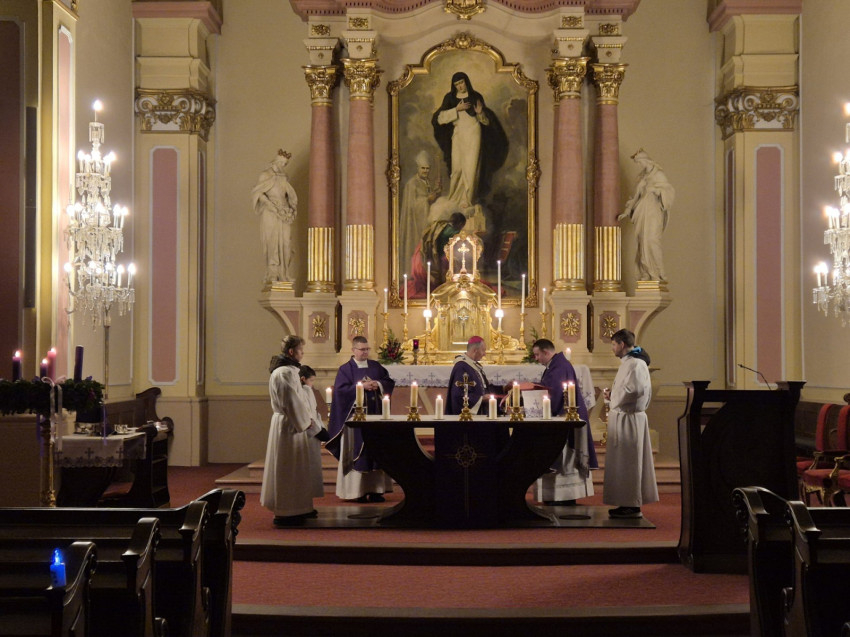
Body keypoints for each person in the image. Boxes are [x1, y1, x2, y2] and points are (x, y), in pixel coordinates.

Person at [259, 335, 326, 527]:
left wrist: (310, 421)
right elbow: (291, 401)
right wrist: (308, 424)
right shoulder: (284, 373)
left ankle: (301, 507)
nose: (302, 353)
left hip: (294, 424)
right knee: (288, 469)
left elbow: (300, 399)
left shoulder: (291, 371)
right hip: (289, 426)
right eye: (300, 350)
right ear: (291, 351)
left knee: (298, 469)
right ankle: (287, 511)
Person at [326, 336, 396, 502]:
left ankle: (376, 490)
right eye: (362, 349)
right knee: (359, 452)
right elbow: (340, 392)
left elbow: (388, 381)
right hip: (355, 421)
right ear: (353, 350)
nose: (365, 352)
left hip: (375, 417)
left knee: (376, 452)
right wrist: (361, 387)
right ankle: (357, 492)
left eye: (367, 349)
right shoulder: (345, 370)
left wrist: (378, 384)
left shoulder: (376, 366)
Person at [531, 338, 598, 506]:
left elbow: (553, 395)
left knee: (565, 459)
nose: (536, 358)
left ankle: (563, 496)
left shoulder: (558, 367)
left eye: (537, 355)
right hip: (564, 415)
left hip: (564, 417)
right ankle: (558, 496)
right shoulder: (556, 365)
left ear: (546, 352)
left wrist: (534, 406)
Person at [602, 329, 658, 519]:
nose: (612, 348)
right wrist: (613, 395)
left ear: (622, 344)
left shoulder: (635, 363)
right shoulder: (630, 363)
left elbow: (634, 391)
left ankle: (632, 505)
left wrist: (614, 397)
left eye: (613, 344)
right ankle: (626, 503)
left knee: (629, 464)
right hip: (625, 417)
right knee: (624, 463)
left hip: (629, 419)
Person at [432, 71, 508, 210]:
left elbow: (485, 122)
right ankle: (454, 197)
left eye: (461, 82)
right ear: (454, 85)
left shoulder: (475, 96)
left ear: (466, 81)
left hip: (474, 134)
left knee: (471, 167)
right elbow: (440, 118)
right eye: (457, 84)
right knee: (457, 168)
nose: (460, 86)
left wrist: (480, 113)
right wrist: (456, 109)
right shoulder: (450, 98)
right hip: (458, 134)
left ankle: (467, 199)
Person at [619, 149, 675, 281]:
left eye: (640, 162)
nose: (639, 165)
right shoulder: (641, 177)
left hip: (653, 212)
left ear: (646, 161)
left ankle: (659, 272)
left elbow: (669, 192)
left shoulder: (658, 175)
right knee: (642, 242)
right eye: (637, 163)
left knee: (652, 241)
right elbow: (635, 196)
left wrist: (656, 190)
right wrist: (627, 211)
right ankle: (646, 272)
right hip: (641, 212)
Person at [251, 149, 298, 284]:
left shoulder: (284, 177)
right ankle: (273, 273)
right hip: (270, 212)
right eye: (282, 163)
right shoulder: (265, 175)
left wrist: (290, 208)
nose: (283, 166)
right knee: (272, 242)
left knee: (286, 242)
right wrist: (270, 204)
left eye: (285, 164)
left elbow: (289, 195)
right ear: (276, 161)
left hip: (284, 212)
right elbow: (258, 193)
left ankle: (284, 273)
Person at [399, 151, 441, 274]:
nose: (425, 171)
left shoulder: (427, 182)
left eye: (427, 168)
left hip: (426, 221)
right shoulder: (411, 184)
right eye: (423, 168)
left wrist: (435, 194)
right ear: (418, 168)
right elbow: (411, 206)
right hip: (415, 224)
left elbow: (428, 199)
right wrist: (427, 200)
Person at [446, 336, 504, 415]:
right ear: (475, 350)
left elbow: (482, 387)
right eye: (483, 350)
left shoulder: (473, 365)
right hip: (468, 416)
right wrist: (481, 398)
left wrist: (503, 389)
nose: (484, 354)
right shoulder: (461, 367)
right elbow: (458, 395)